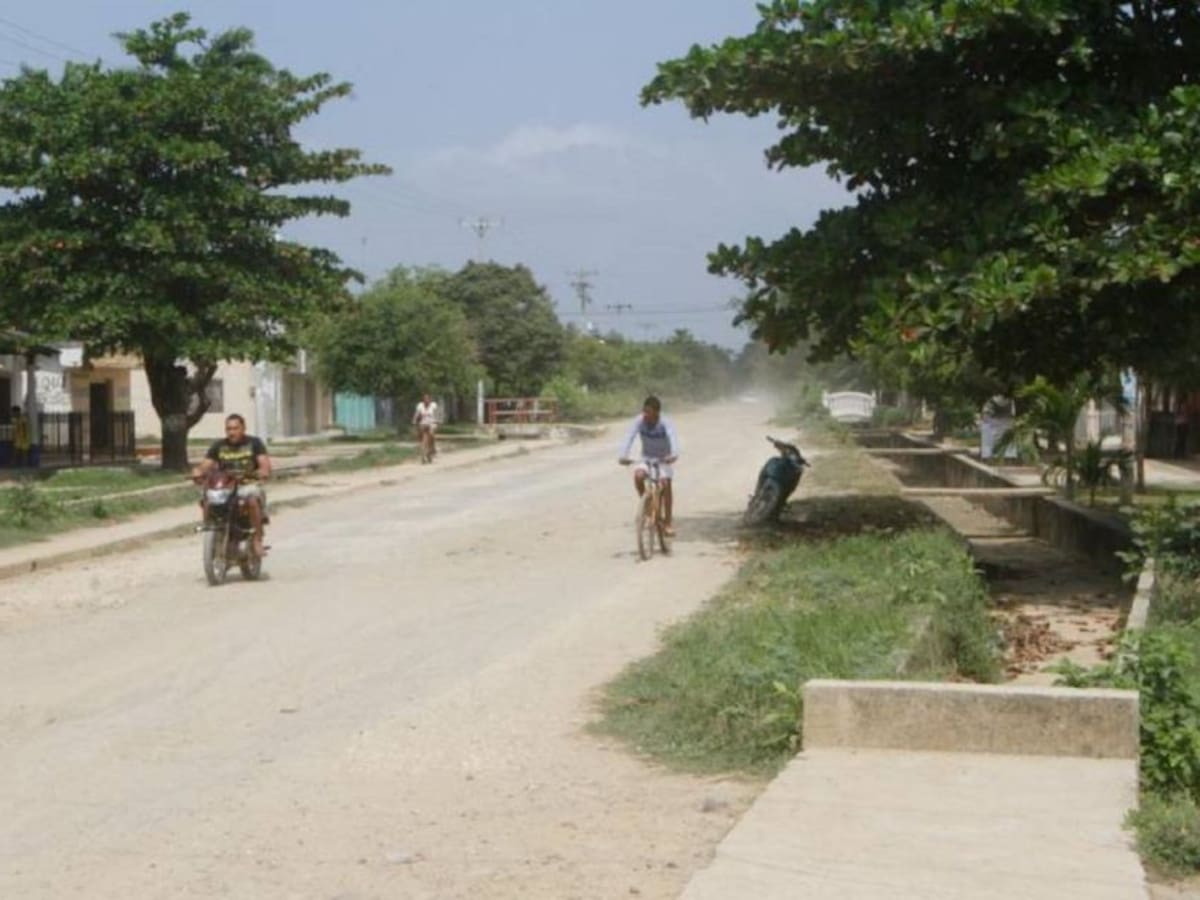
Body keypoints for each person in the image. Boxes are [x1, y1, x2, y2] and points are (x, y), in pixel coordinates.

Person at [191, 413, 272, 557]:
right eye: (228, 429)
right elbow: (205, 465)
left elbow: (264, 464)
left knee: (252, 499)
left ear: (243, 428)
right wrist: (198, 472)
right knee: (207, 498)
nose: (232, 432)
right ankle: (212, 530)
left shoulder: (254, 443)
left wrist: (262, 471)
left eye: (235, 428)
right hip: (225, 485)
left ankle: (257, 539)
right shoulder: (219, 446)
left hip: (247, 484)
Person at [617, 395, 680, 536]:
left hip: (664, 459)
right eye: (644, 411)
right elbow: (629, 436)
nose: (645, 415)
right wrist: (623, 455)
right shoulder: (639, 421)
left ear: (657, 412)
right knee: (638, 476)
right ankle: (647, 506)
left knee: (665, 483)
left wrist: (673, 455)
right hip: (646, 458)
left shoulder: (665, 423)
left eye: (649, 412)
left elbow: (673, 439)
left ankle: (668, 523)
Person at [413, 393, 439, 463]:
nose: (426, 400)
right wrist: (414, 420)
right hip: (423, 423)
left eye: (427, 399)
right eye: (424, 399)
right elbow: (417, 414)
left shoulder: (433, 405)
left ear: (430, 399)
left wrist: (437, 421)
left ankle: (433, 448)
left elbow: (436, 414)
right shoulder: (420, 406)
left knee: (431, 434)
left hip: (431, 423)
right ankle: (423, 455)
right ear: (423, 400)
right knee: (422, 438)